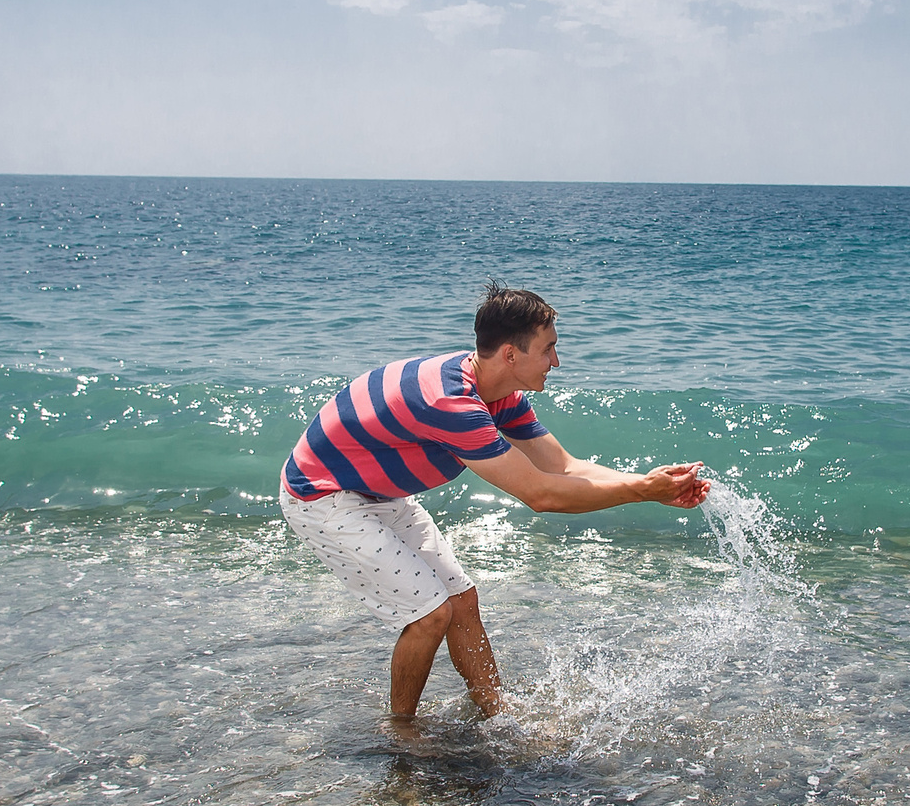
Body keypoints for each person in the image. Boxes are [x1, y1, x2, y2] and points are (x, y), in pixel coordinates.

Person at [280, 285, 710, 723]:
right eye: (549, 349)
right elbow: (541, 495)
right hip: (324, 496)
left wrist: (653, 484)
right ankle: (402, 731)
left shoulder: (497, 393)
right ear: (510, 354)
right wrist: (643, 492)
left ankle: (496, 711)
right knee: (431, 614)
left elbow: (562, 466)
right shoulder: (453, 404)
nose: (556, 362)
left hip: (379, 493)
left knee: (461, 601)